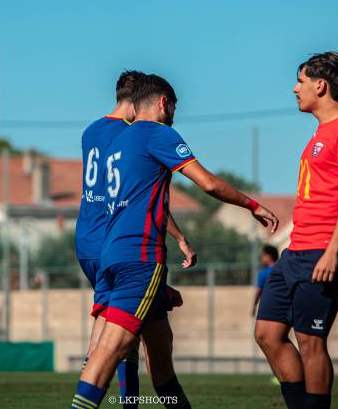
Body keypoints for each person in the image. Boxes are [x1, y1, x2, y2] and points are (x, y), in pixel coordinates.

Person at [70, 74, 279, 409]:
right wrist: (251, 204)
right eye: (174, 109)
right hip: (139, 259)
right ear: (164, 103)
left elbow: (134, 201)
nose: (174, 117)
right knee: (109, 351)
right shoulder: (158, 133)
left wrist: (166, 268)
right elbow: (208, 183)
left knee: (161, 360)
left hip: (112, 255)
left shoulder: (118, 143)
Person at [255, 51, 338, 409]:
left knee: (310, 342)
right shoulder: (322, 132)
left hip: (325, 251)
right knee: (267, 333)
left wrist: (332, 251)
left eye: (301, 81)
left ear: (320, 86)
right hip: (296, 252)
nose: (295, 89)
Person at [75, 70, 196, 409]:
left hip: (87, 240)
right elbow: (136, 197)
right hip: (117, 241)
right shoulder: (130, 135)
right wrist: (179, 236)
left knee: (134, 332)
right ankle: (123, 402)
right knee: (117, 339)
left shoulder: (91, 131)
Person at [251, 244, 279, 317]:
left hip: (268, 309)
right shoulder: (282, 270)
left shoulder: (263, 273)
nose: (260, 258)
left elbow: (258, 291)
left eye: (263, 255)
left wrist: (254, 306)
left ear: (269, 256)